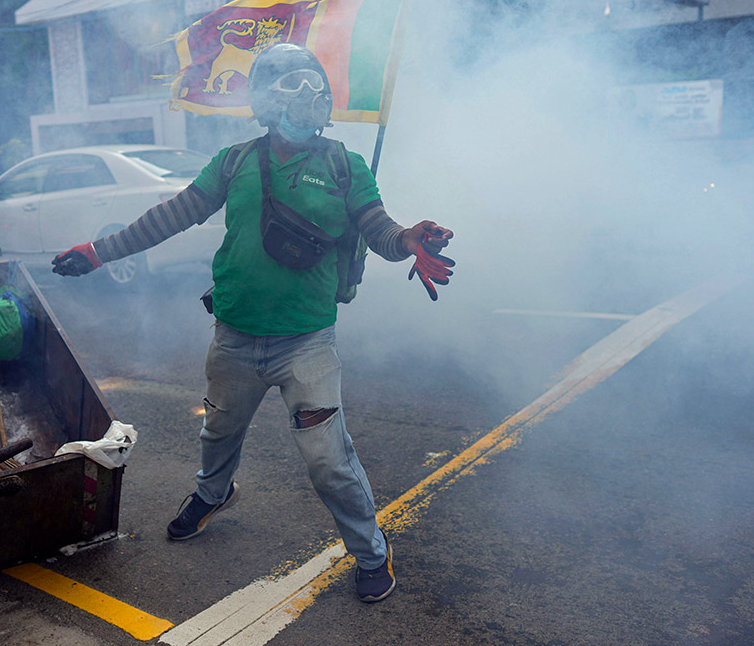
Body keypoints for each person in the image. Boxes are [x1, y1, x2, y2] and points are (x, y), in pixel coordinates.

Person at [52, 43, 454, 603]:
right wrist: (99, 251)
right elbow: (173, 214)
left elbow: (378, 226)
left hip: (306, 344)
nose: (306, 98)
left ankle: (371, 552)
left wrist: (408, 240)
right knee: (217, 432)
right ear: (265, 99)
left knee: (329, 461)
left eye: (314, 87)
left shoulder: (344, 164)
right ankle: (213, 494)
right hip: (235, 337)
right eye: (292, 87)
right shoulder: (235, 161)